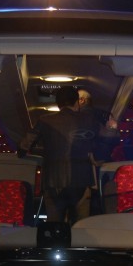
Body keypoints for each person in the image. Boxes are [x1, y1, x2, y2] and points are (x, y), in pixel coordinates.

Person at [18, 86, 97, 223]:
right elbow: (104, 142)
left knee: (54, 224)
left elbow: (24, 146)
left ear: (58, 104)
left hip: (53, 181)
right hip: (81, 180)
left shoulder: (44, 120)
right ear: (76, 102)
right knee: (80, 225)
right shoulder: (89, 120)